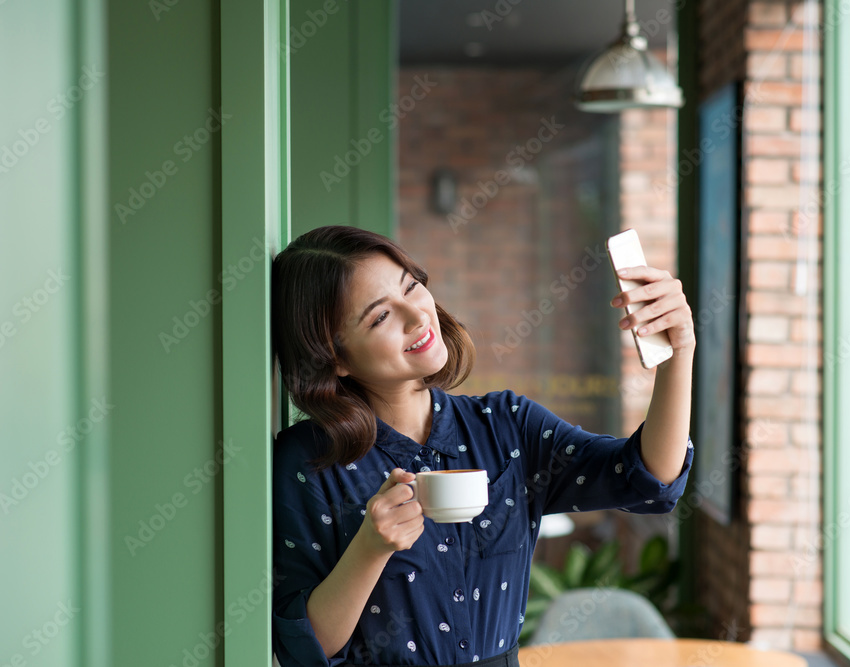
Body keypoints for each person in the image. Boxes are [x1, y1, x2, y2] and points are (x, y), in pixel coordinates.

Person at [271, 225, 695, 667]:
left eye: (411, 288)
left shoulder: (507, 426)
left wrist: (677, 353)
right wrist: (370, 548)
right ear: (333, 357)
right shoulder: (307, 462)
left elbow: (647, 478)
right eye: (380, 317)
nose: (417, 317)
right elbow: (308, 648)